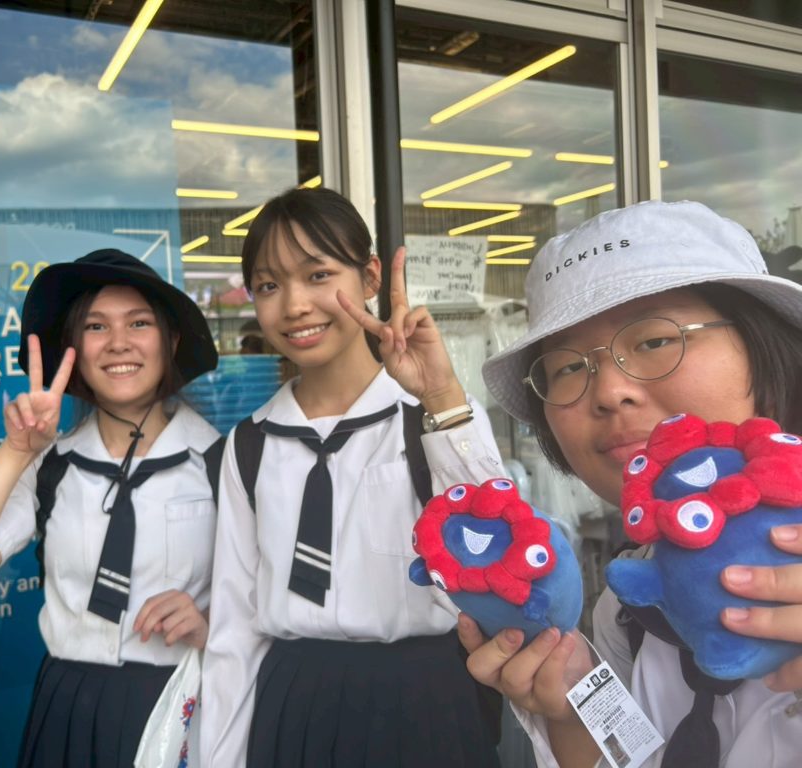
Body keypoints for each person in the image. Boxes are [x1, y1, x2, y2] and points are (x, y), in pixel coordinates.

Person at [468, 200, 802, 768]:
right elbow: (633, 756)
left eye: (653, 341)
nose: (608, 392)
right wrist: (573, 710)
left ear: (761, 344)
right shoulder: (630, 608)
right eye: (568, 367)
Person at [201, 187, 505, 767]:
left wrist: (441, 396)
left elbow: (499, 544)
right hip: (293, 705)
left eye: (318, 275)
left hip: (425, 702)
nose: (295, 305)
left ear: (369, 277)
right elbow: (234, 627)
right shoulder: (249, 444)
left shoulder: (434, 418)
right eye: (269, 285)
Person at [0, 249, 222, 768]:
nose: (119, 342)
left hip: (183, 706)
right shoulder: (50, 467)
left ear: (170, 342)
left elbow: (268, 610)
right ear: (73, 351)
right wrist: (16, 452)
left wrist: (210, 626)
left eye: (139, 323)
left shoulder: (222, 463)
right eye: (97, 326)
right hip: (69, 711)